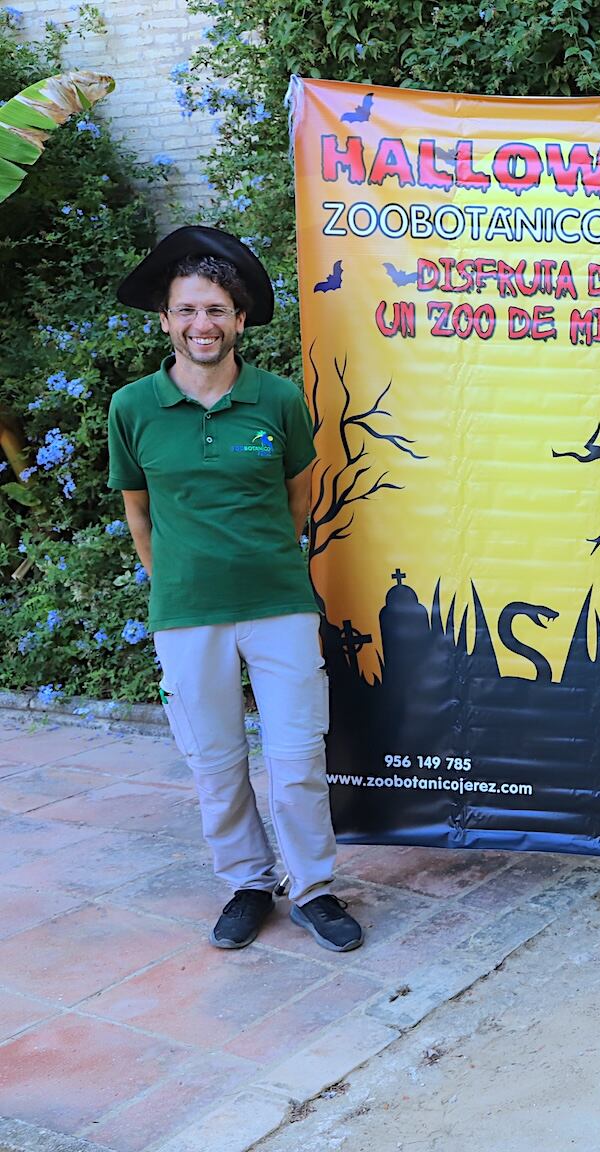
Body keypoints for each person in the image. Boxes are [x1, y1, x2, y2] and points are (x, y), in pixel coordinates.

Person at [107, 226, 364, 953]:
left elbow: (298, 498)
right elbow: (137, 509)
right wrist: (173, 581)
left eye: (216, 310)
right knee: (216, 764)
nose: (202, 324)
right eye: (187, 310)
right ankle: (249, 883)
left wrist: (267, 563)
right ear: (166, 321)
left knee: (295, 761)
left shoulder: (277, 400)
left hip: (279, 607)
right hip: (188, 614)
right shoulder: (134, 407)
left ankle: (314, 889)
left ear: (239, 320)